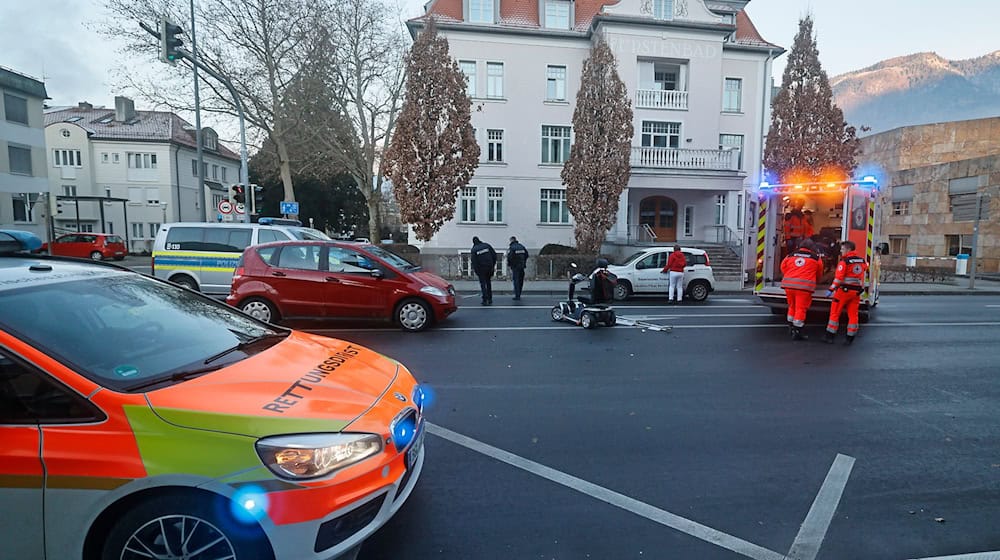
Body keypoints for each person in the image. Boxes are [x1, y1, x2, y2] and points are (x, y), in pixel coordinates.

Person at [823, 240, 868, 345]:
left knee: (835, 313)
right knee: (853, 315)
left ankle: (830, 336)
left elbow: (838, 279)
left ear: (848, 250)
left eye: (842, 249)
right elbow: (865, 269)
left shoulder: (844, 262)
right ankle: (850, 337)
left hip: (843, 292)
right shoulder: (862, 261)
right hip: (855, 293)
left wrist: (831, 289)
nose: (841, 251)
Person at [780, 239, 823, 340]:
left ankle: (790, 326)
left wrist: (790, 275)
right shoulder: (816, 258)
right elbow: (819, 273)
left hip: (789, 285)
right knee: (800, 308)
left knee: (792, 306)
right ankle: (798, 331)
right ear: (812, 248)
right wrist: (817, 281)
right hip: (804, 287)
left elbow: (783, 267)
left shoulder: (790, 255)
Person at [471, 236, 497, 305]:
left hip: (481, 269)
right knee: (488, 283)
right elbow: (494, 255)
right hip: (489, 267)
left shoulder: (474, 249)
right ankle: (490, 299)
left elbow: (474, 262)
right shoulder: (487, 245)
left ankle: (485, 299)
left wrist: (477, 271)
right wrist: (492, 265)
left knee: (483, 284)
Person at [506, 236, 529, 300]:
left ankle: (517, 295)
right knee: (520, 280)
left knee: (516, 280)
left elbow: (510, 257)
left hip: (515, 266)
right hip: (522, 266)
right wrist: (523, 262)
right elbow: (526, 255)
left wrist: (510, 264)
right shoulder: (521, 246)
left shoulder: (512, 247)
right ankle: (519, 293)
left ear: (511, 240)